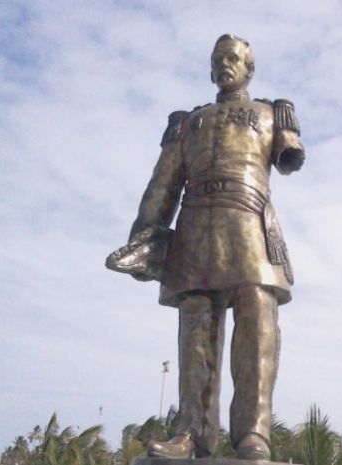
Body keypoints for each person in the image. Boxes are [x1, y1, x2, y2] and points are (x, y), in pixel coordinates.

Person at [115, 34, 305, 460]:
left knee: (257, 320)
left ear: (248, 68)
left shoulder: (272, 113)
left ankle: (253, 435)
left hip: (248, 222)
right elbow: (162, 186)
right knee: (196, 329)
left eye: (232, 58)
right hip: (195, 226)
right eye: (218, 59)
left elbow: (290, 160)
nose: (224, 65)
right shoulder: (189, 123)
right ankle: (193, 433)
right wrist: (145, 237)